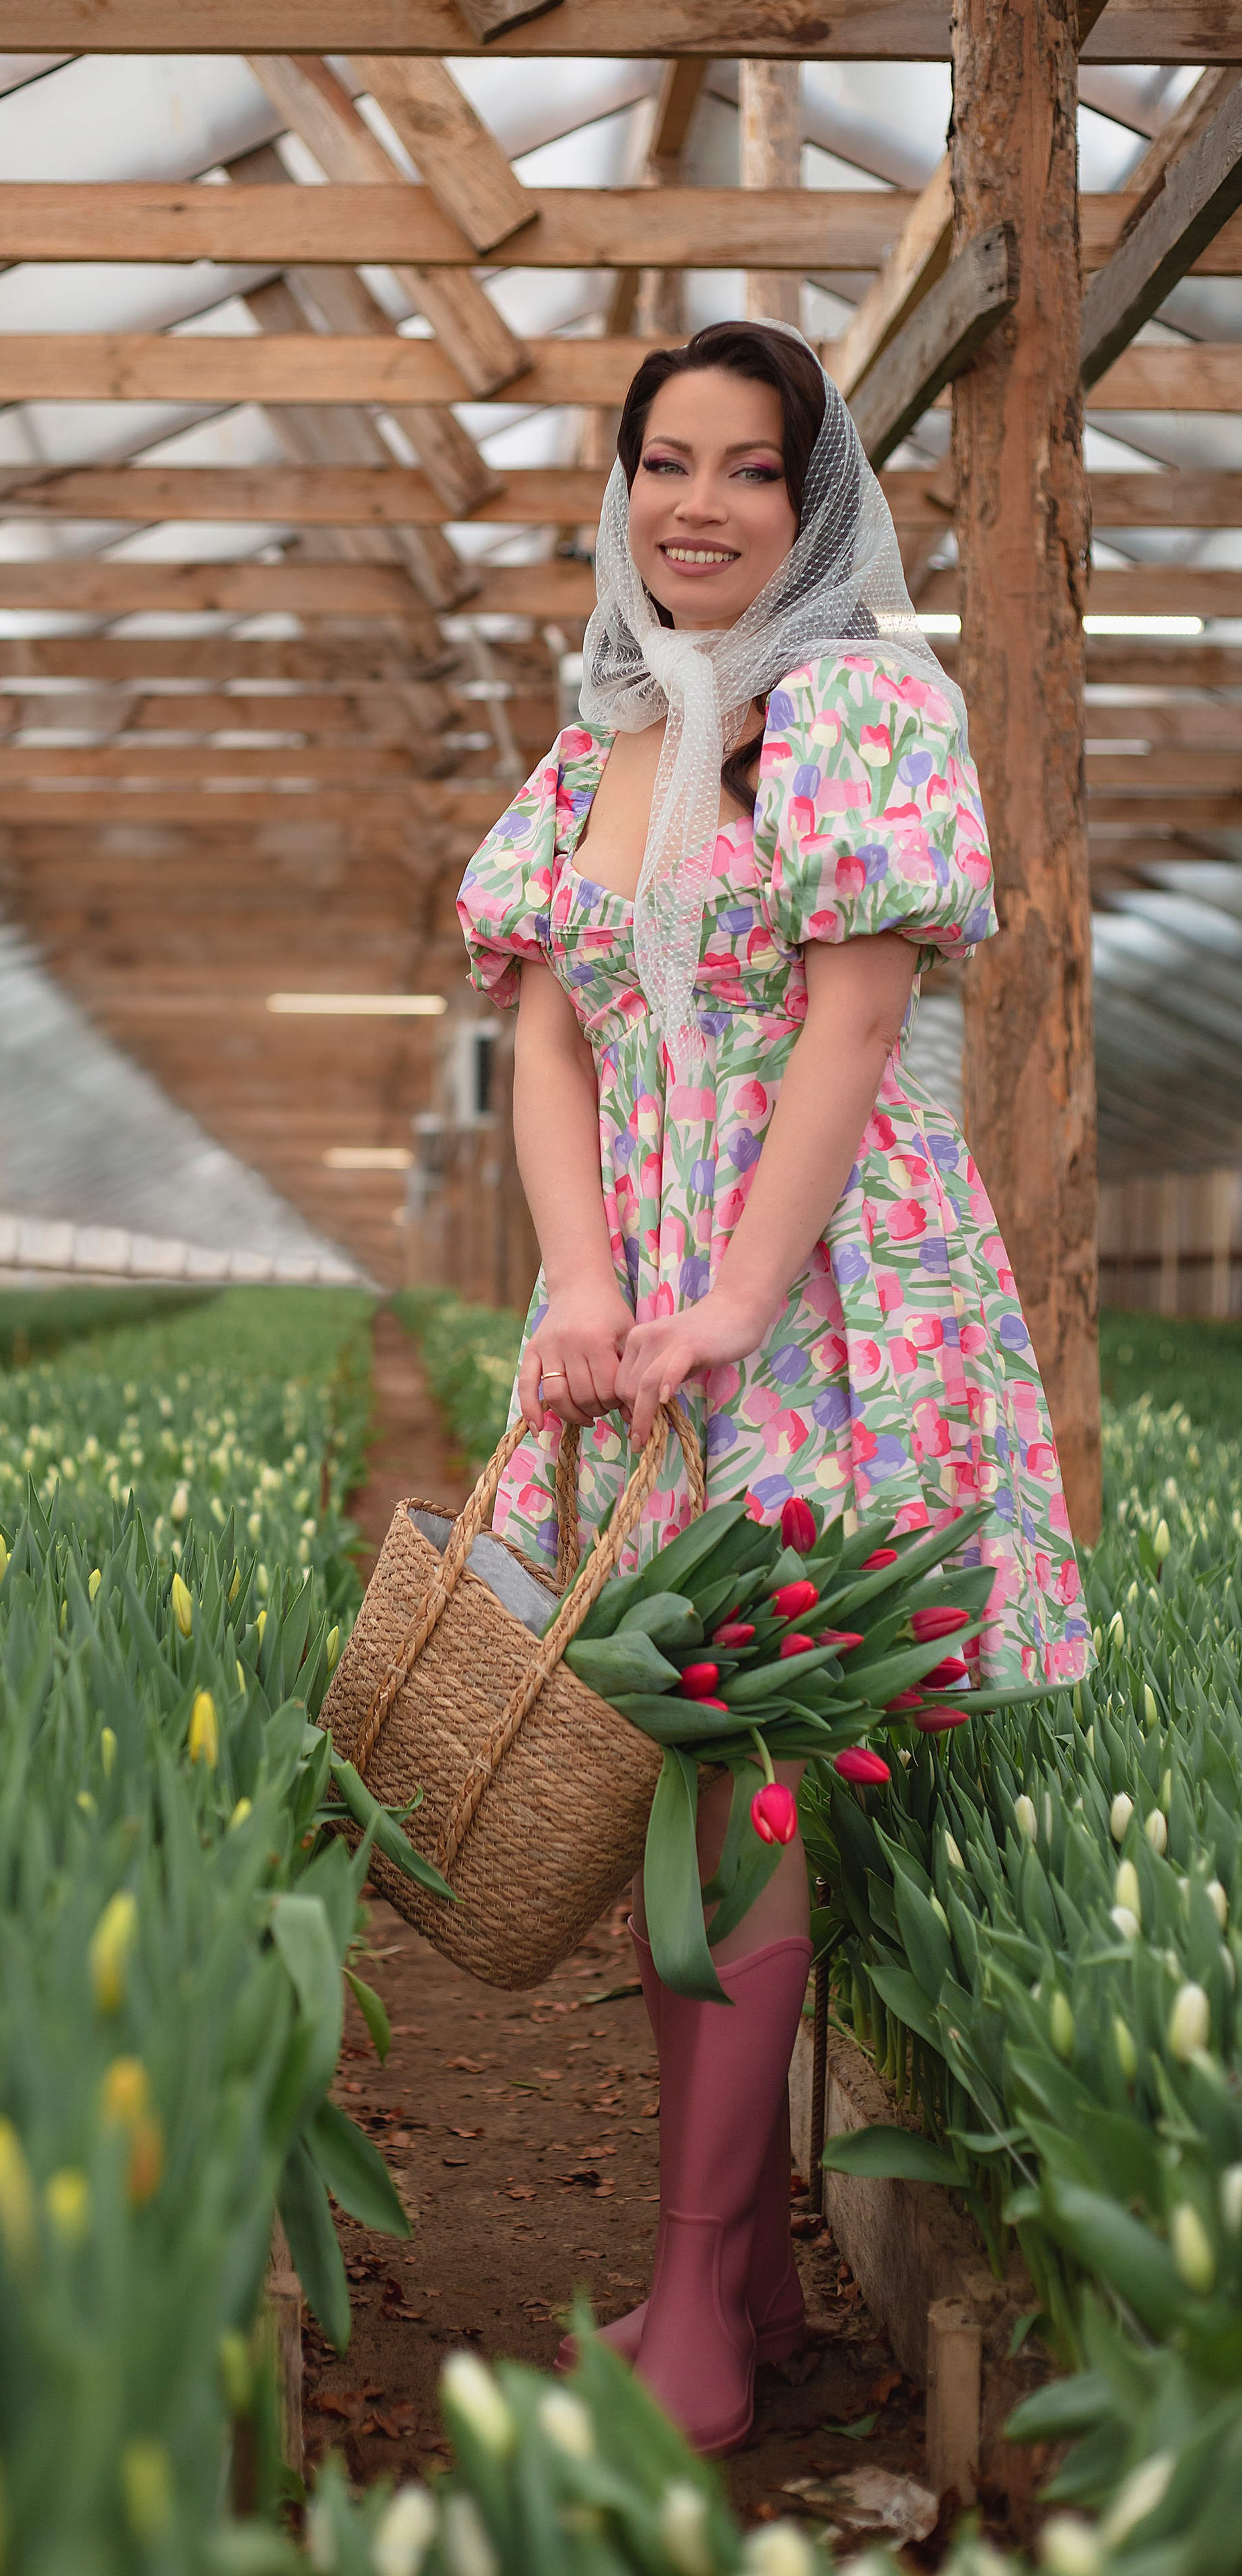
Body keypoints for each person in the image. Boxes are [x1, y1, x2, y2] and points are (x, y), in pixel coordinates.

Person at [456, 320, 1090, 2455]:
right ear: (621, 487)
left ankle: (707, 2329)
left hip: (816, 1290)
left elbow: (845, 1029)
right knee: (676, 1774)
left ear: (812, 503)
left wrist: (730, 1293)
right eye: (664, 463)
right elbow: (548, 1036)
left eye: (747, 468)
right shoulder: (603, 739)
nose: (697, 504)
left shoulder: (859, 707)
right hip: (638, 1294)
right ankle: (715, 2272)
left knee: (751, 1776)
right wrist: (577, 1279)